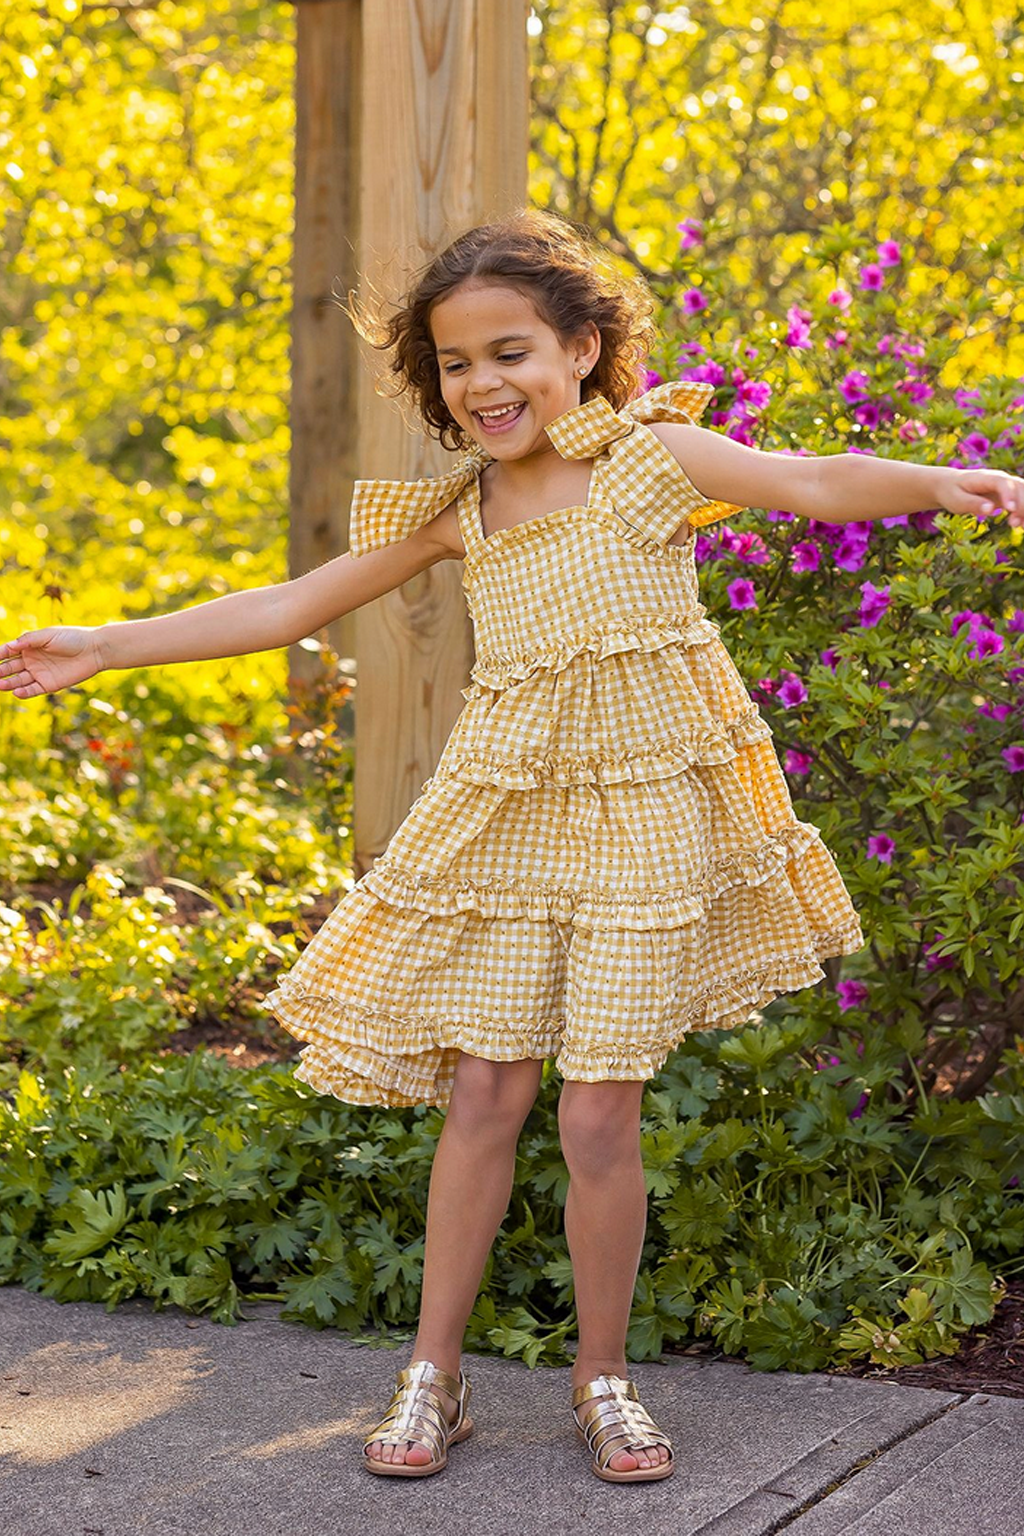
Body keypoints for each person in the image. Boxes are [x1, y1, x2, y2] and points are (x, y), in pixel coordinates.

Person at [2, 208, 1022, 1487]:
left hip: (646, 820)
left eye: (511, 351)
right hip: (510, 820)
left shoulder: (652, 460)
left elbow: (810, 478)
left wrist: (932, 483)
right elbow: (290, 603)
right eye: (456, 363)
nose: (484, 383)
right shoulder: (464, 512)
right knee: (486, 1092)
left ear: (583, 349)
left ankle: (603, 1379)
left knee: (601, 1114)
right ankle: (434, 1374)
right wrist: (107, 640)